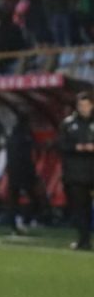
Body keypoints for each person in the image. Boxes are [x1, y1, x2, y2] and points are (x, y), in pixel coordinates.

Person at [58, 92, 94, 250]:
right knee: (80, 209)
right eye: (81, 106)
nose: (84, 108)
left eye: (86, 105)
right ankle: (84, 240)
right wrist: (76, 147)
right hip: (75, 175)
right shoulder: (67, 124)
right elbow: (59, 145)